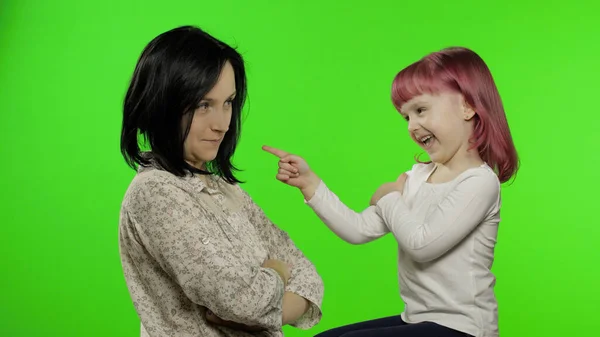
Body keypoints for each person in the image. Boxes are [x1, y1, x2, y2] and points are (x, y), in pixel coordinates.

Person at [263, 47, 518, 337]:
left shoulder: (478, 183)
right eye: (406, 117)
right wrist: (310, 184)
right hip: (417, 320)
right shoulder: (417, 177)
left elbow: (422, 246)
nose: (412, 126)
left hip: (463, 328)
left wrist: (389, 198)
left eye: (420, 110)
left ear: (468, 106)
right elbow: (358, 230)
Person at [118, 25, 323, 337]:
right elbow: (245, 302)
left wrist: (265, 304)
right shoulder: (154, 192)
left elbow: (308, 278)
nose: (222, 124)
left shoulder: (221, 188)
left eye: (228, 102)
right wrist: (277, 273)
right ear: (162, 104)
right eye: (203, 105)